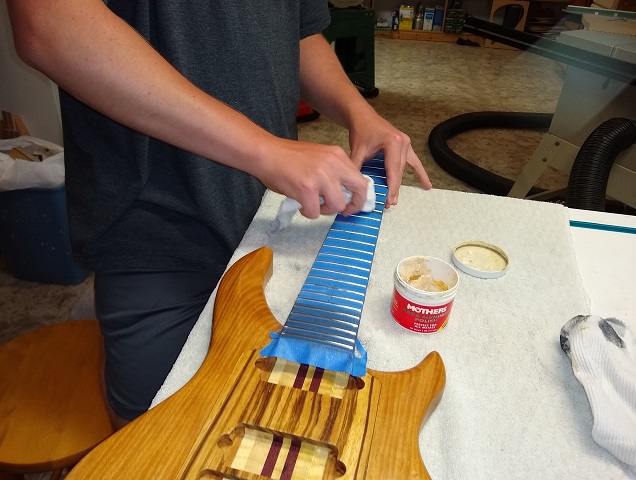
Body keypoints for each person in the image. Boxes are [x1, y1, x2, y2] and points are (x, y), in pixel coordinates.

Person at [6, 0, 432, 429]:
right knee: (159, 432)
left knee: (281, 414)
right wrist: (266, 151)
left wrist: (360, 113)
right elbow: (50, 24)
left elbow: (299, 32)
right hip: (156, 230)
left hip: (265, 216)